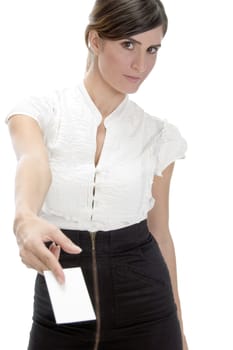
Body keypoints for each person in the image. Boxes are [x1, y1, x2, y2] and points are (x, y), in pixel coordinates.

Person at [6, 0, 188, 349]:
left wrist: (179, 326)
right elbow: (33, 161)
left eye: (152, 49)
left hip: (148, 304)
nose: (141, 64)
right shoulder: (41, 113)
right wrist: (25, 218)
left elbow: (160, 232)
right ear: (95, 41)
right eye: (128, 45)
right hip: (63, 303)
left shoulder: (158, 136)